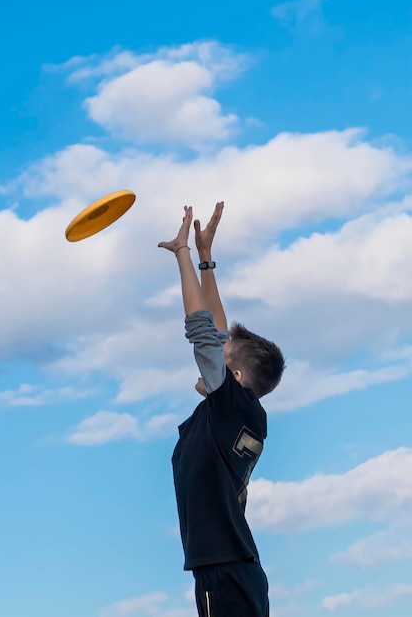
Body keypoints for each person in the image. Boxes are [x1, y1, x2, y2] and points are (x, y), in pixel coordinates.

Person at [158, 203, 285, 617]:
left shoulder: (234, 408)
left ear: (236, 377)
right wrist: (205, 260)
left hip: (224, 570)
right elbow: (217, 332)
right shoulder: (237, 412)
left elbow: (203, 333)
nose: (212, 358)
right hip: (230, 568)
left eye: (221, 359)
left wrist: (182, 255)